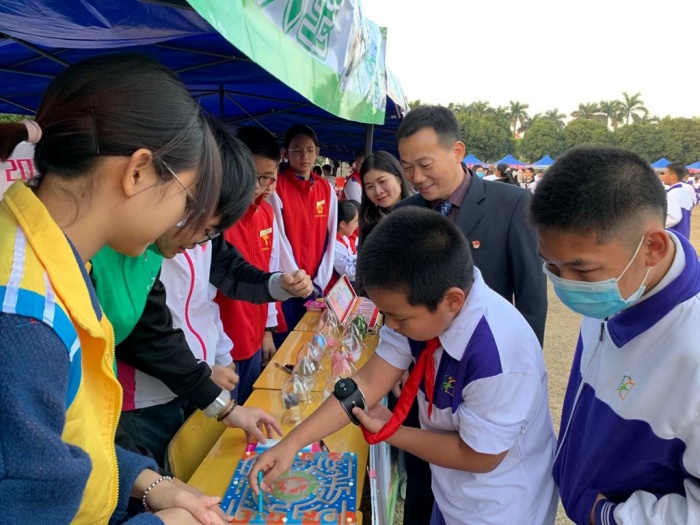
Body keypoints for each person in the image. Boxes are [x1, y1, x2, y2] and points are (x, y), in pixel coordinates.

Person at [0, 53, 229, 524]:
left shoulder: (49, 260)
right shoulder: (24, 320)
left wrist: (148, 482)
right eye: (187, 199)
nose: (182, 221)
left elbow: (56, 441)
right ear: (138, 171)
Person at [249, 207, 558, 525]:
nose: (391, 326)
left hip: (500, 509)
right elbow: (368, 384)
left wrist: (392, 432)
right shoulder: (427, 309)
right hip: (453, 495)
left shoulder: (499, 354)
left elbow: (480, 456)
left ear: (452, 300)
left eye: (398, 317)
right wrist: (292, 444)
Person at [393, 104, 548, 523]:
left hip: (482, 372)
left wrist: (519, 381)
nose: (416, 177)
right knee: (422, 472)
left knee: (478, 465)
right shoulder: (405, 216)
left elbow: (531, 300)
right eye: (407, 167)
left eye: (425, 164)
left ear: (457, 151)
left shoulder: (511, 204)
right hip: (424, 376)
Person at [531, 145, 700, 525]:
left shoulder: (692, 350)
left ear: (653, 247)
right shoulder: (620, 289)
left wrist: (610, 516)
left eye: (582, 271)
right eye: (551, 266)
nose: (566, 284)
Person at [107, 119, 285, 466]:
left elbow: (206, 298)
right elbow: (150, 335)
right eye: (205, 227)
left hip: (185, 383)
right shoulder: (130, 250)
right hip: (143, 396)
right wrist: (213, 389)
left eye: (211, 232)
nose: (199, 241)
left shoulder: (152, 246)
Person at [215, 126, 289, 405]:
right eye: (253, 176)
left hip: (254, 337)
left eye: (268, 178)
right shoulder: (215, 221)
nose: (259, 186)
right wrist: (218, 353)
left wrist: (267, 329)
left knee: (251, 408)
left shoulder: (266, 213)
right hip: (222, 347)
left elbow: (269, 270)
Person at [269, 124, 337, 341]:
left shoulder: (326, 189)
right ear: (285, 153)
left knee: (312, 343)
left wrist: (318, 281)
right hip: (287, 283)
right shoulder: (276, 187)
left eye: (309, 150)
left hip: (317, 284)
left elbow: (330, 239)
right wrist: (295, 278)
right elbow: (278, 239)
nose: (304, 156)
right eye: (297, 151)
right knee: (286, 344)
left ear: (317, 152)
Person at [358, 151, 413, 244]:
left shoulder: (424, 212)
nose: (378, 191)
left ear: (399, 177)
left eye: (382, 181)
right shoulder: (370, 229)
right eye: (370, 187)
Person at [325, 200, 359, 294]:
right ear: (343, 224)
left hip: (343, 288)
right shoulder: (334, 245)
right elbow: (349, 272)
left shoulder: (344, 238)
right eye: (355, 221)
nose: (357, 225)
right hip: (332, 291)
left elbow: (352, 258)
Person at [661, 162, 694, 238]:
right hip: (683, 234)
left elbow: (674, 218)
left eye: (664, 174)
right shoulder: (684, 193)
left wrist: (658, 225)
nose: (663, 176)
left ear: (672, 176)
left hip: (674, 235)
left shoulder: (673, 194)